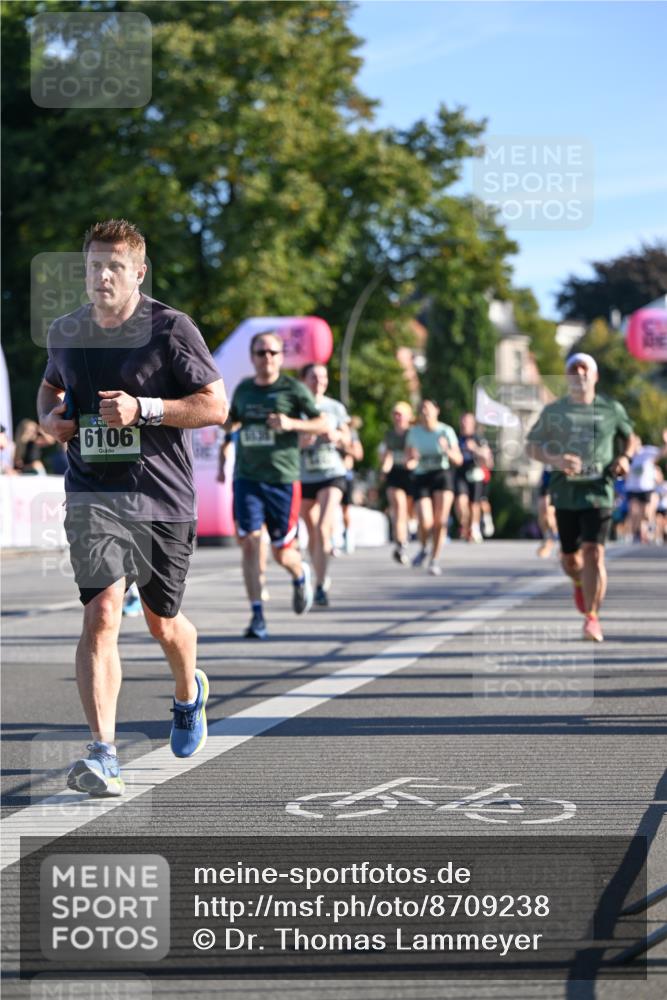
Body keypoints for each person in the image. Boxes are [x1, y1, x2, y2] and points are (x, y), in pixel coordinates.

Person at [37, 218, 228, 796]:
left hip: (162, 496)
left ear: (138, 272)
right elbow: (50, 387)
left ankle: (187, 690)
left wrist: (144, 409)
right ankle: (103, 754)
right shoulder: (66, 331)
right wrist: (50, 421)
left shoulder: (171, 329)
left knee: (162, 621)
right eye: (94, 266)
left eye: (114, 266)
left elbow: (214, 405)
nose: (102, 276)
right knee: (100, 615)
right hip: (94, 492)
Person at [526, 352, 634, 643]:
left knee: (594, 553)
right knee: (571, 560)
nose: (580, 374)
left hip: (599, 491)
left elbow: (630, 438)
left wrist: (624, 458)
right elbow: (531, 447)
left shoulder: (611, 408)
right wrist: (557, 460)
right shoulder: (554, 411)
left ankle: (592, 619)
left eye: (585, 369)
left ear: (595, 376)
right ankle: (577, 581)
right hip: (565, 494)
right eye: (574, 369)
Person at [226, 332, 327, 639]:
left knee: (283, 553)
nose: (266, 357)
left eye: (272, 352)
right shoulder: (243, 390)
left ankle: (300, 573)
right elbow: (231, 422)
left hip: (282, 480)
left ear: (281, 357)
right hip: (247, 478)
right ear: (252, 356)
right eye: (260, 352)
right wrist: (224, 423)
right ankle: (257, 615)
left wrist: (291, 424)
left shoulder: (293, 389)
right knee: (251, 542)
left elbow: (322, 424)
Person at [298, 363, 351, 606]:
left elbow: (348, 440)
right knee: (312, 532)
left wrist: (337, 437)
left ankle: (320, 585)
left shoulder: (335, 408)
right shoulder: (295, 405)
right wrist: (302, 441)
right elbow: (284, 439)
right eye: (313, 377)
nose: (319, 381)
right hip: (304, 474)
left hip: (332, 472)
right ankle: (318, 574)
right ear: (304, 380)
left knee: (322, 526)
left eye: (323, 376)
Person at [405, 399, 463, 575]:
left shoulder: (446, 431)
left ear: (437, 411)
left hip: (442, 475)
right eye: (422, 409)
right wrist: (413, 459)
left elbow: (458, 460)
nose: (425, 412)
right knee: (425, 520)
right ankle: (423, 548)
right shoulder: (414, 433)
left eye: (429, 409)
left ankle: (435, 559)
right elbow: (408, 461)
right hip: (422, 476)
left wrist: (447, 450)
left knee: (440, 521)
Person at [379, 401, 414, 564]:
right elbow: (387, 455)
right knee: (399, 508)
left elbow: (417, 453)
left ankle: (409, 536)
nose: (398, 417)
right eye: (395, 414)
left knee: (409, 512)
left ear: (408, 416)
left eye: (401, 414)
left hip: (412, 474)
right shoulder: (390, 435)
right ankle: (400, 543)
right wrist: (384, 469)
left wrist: (412, 463)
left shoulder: (413, 433)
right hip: (395, 473)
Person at [454, 413, 494, 542]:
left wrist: (475, 448)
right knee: (460, 502)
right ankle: (464, 526)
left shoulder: (479, 439)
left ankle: (474, 527)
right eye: (463, 421)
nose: (465, 424)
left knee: (475, 504)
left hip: (476, 473)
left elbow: (488, 460)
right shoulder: (456, 438)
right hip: (461, 473)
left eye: (468, 421)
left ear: (473, 424)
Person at [625, 431, 667, 543]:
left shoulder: (647, 451)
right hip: (632, 488)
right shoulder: (628, 455)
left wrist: (666, 442)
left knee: (647, 513)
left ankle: (650, 530)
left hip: (646, 488)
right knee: (634, 512)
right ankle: (636, 534)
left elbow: (662, 453)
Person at [339, 414, 364, 555]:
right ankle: (327, 540)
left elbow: (359, 454)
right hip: (327, 476)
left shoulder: (351, 435)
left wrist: (344, 448)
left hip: (345, 474)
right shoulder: (328, 430)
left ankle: (348, 535)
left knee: (345, 509)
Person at [536, 467, 559, 558]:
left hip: (557, 477)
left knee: (549, 511)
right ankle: (547, 536)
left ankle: (554, 536)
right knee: (542, 512)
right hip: (546, 476)